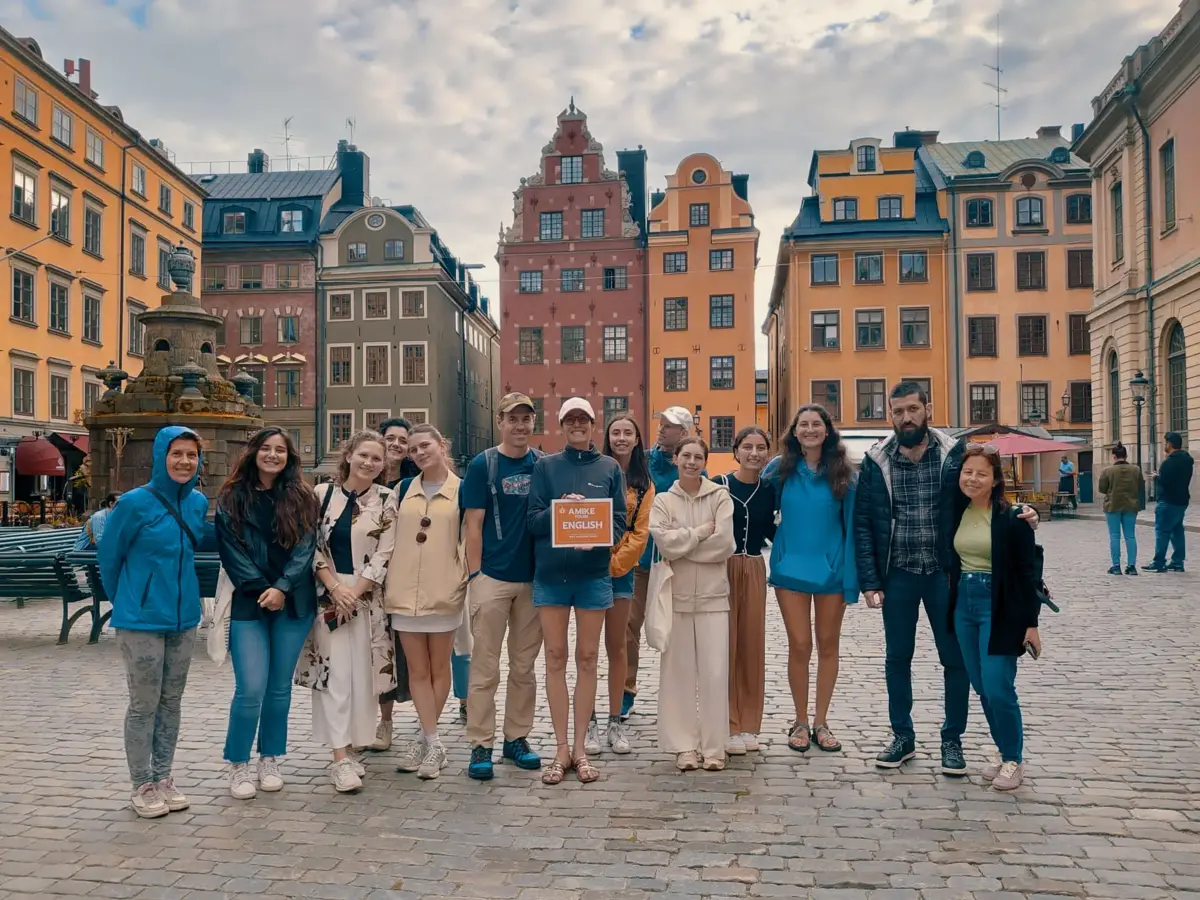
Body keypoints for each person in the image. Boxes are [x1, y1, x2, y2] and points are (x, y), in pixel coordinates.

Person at [854, 381, 1038, 774]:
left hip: (945, 575)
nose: (906, 417)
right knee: (896, 658)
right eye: (899, 410)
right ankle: (902, 737)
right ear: (891, 414)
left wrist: (1021, 511)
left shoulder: (953, 454)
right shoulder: (876, 460)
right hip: (898, 574)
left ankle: (951, 740)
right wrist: (870, 581)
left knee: (954, 660)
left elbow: (984, 490)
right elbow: (864, 522)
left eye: (913, 409)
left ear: (927, 409)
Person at [98, 426, 209, 819]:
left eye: (191, 456)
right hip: (141, 620)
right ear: (162, 456)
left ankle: (163, 776)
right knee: (144, 703)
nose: (184, 461)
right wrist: (130, 599)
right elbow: (109, 559)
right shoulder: (133, 504)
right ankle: (141, 782)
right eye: (176, 454)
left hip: (183, 619)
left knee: (172, 701)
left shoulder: (196, 503)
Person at [215, 428, 320, 800]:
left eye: (280, 450)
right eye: (266, 448)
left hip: (293, 601)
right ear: (254, 452)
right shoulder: (232, 497)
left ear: (289, 457)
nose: (272, 455)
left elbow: (307, 549)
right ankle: (239, 763)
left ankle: (270, 757)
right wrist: (263, 589)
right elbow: (231, 551)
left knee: (278, 689)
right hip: (250, 602)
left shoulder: (303, 496)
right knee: (251, 688)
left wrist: (283, 588)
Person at [528, 397, 626, 784]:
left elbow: (617, 523)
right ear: (562, 425)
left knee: (588, 659)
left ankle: (581, 748)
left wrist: (599, 540)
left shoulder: (609, 468)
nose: (577, 425)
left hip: (592, 575)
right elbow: (533, 521)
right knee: (555, 657)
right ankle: (560, 749)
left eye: (583, 419)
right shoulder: (546, 466)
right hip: (551, 575)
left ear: (592, 423)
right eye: (570, 420)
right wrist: (559, 510)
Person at [295, 431, 397, 793]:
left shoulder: (387, 499)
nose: (369, 463)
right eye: (363, 455)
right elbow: (311, 546)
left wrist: (356, 591)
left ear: (384, 465)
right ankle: (338, 758)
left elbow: (386, 551)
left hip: (367, 600)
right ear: (349, 455)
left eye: (377, 458)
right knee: (334, 676)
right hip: (330, 598)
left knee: (362, 679)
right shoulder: (321, 495)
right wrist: (336, 588)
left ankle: (352, 745)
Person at [945, 444, 1042, 791]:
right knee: (982, 685)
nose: (972, 479)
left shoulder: (1012, 517)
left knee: (999, 685)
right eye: (967, 472)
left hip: (999, 605)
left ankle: (1014, 759)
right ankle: (1004, 755)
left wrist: (1031, 624)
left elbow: (1028, 572)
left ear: (996, 479)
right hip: (963, 606)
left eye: (981, 473)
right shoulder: (956, 509)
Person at [461, 393, 545, 780]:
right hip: (493, 577)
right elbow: (472, 523)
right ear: (500, 422)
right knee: (485, 667)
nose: (520, 426)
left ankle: (517, 738)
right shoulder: (484, 464)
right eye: (513, 419)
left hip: (532, 580)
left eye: (526, 419)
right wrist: (476, 575)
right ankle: (481, 743)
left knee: (524, 667)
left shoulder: (543, 464)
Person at [768, 406, 858, 754]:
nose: (809, 430)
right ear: (794, 431)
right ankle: (800, 720)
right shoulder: (779, 469)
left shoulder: (844, 473)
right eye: (803, 424)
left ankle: (821, 721)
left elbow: (853, 525)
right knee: (800, 645)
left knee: (828, 645)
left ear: (827, 430)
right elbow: (754, 502)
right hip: (790, 570)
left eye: (816, 424)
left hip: (831, 571)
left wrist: (852, 577)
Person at [385, 424, 469, 780]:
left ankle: (427, 739)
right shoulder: (402, 490)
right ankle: (431, 739)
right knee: (417, 671)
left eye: (425, 446)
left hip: (442, 591)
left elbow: (469, 540)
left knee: (439, 669)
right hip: (404, 594)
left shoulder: (462, 491)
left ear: (441, 445)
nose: (419, 453)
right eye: (413, 449)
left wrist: (460, 578)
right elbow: (385, 538)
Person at [650, 436, 736, 771]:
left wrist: (682, 541)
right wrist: (700, 532)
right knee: (679, 673)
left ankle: (715, 747)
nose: (691, 462)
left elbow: (724, 544)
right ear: (676, 459)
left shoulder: (720, 497)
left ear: (705, 461)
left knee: (715, 673)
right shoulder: (663, 500)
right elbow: (664, 544)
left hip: (715, 597)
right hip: (677, 596)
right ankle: (684, 746)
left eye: (697, 456)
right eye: (685, 455)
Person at [586, 414, 654, 757]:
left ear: (638, 439)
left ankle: (615, 718)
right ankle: (589, 720)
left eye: (629, 432)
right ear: (608, 437)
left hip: (620, 571)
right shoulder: (595, 471)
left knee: (618, 646)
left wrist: (613, 564)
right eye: (616, 432)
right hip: (586, 567)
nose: (622, 438)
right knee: (587, 651)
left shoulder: (644, 483)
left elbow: (640, 534)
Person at [624, 405, 694, 719]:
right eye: (662, 423)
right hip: (640, 558)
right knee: (628, 626)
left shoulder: (691, 464)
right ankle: (625, 691)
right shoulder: (643, 461)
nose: (663, 429)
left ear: (685, 432)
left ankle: (678, 697)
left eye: (671, 426)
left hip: (676, 560)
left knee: (678, 630)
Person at [711, 426, 775, 755]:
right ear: (736, 451)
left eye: (761, 447)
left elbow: (776, 534)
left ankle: (749, 722)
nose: (754, 453)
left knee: (751, 646)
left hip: (753, 567)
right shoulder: (720, 486)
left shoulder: (770, 490)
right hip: (722, 568)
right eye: (747, 446)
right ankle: (727, 722)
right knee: (725, 646)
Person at [370, 417, 421, 751]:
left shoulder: (412, 485)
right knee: (368, 652)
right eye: (391, 438)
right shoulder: (363, 481)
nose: (397, 445)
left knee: (398, 654)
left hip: (400, 578)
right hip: (365, 581)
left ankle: (388, 722)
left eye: (404, 440)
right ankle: (370, 721)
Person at [1146, 431, 1193, 573]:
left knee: (1162, 531)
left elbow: (1165, 482)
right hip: (1182, 500)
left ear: (1169, 444)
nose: (1164, 445)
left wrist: (1156, 477)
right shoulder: (1187, 460)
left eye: (1165, 443)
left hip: (1168, 501)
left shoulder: (1168, 462)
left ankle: (1159, 561)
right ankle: (1178, 562)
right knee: (1177, 530)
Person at [1098, 444, 1143, 575]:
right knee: (1130, 536)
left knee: (1114, 536)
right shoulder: (1136, 469)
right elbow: (1140, 486)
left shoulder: (1108, 471)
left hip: (1112, 505)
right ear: (1126, 456)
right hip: (1131, 505)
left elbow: (1102, 488)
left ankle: (1116, 566)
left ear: (1114, 456)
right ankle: (1131, 566)